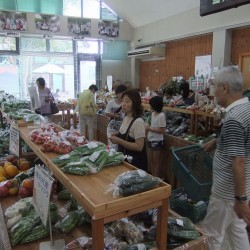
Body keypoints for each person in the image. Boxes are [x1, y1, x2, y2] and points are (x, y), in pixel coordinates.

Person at [202, 66, 250, 250]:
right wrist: (218, 140)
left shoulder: (233, 119)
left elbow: (238, 160)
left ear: (224, 88)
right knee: (237, 232)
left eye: (214, 87)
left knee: (212, 235)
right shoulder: (246, 108)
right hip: (241, 188)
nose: (213, 92)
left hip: (227, 193)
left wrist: (240, 199)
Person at [109, 89, 147, 171]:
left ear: (135, 103)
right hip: (125, 162)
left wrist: (119, 141)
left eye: (127, 101)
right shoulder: (125, 117)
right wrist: (117, 134)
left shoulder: (138, 122)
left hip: (135, 166)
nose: (123, 104)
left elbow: (139, 147)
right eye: (122, 101)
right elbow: (127, 134)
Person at [145, 96, 166, 177]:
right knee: (150, 161)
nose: (150, 106)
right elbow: (150, 124)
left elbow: (162, 130)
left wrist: (150, 128)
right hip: (150, 139)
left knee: (155, 161)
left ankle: (155, 178)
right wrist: (148, 125)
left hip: (157, 141)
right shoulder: (153, 114)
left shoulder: (161, 116)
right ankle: (151, 176)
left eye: (151, 105)